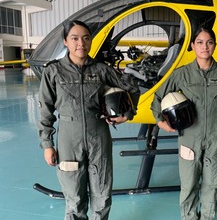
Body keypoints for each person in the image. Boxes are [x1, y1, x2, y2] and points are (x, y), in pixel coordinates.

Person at [37, 20, 140, 219]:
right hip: (69, 138)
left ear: (91, 41)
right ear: (66, 42)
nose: (81, 43)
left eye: (85, 38)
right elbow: (45, 111)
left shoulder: (102, 70)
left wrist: (126, 114)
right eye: (74, 38)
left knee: (102, 194)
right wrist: (47, 144)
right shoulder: (54, 72)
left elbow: (132, 89)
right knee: (74, 196)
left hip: (98, 134)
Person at [151, 27, 217, 220]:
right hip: (189, 137)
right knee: (189, 183)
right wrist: (160, 122)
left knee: (213, 183)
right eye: (199, 42)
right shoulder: (181, 74)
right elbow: (158, 96)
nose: (204, 46)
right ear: (192, 46)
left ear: (215, 45)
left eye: (209, 42)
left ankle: (207, 217)